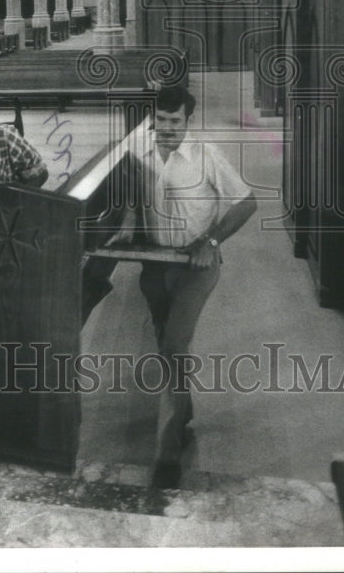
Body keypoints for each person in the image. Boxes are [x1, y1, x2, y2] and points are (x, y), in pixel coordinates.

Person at [87, 84, 257, 489]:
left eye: (174, 121)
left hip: (195, 266)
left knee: (174, 344)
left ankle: (167, 449)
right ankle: (182, 411)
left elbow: (247, 202)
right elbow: (112, 176)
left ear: (188, 120)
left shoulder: (205, 155)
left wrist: (210, 242)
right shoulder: (137, 146)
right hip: (154, 264)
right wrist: (121, 221)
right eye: (160, 120)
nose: (166, 129)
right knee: (168, 345)